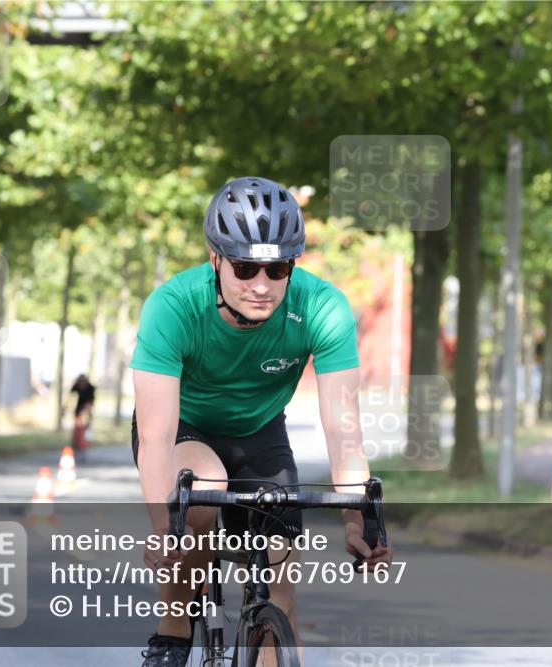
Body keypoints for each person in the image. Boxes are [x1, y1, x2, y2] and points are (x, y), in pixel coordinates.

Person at [130, 177, 392, 666]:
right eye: (246, 266)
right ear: (215, 259)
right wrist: (166, 527)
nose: (261, 284)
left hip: (261, 434)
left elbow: (343, 429)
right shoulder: (173, 306)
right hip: (187, 428)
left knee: (280, 595)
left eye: (277, 269)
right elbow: (155, 434)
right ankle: (173, 631)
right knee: (202, 487)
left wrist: (358, 517)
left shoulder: (322, 307)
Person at [70, 374, 95, 459]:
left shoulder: (90, 388)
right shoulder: (76, 387)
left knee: (85, 430)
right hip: (78, 411)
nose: (82, 385)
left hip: (86, 411)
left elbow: (91, 402)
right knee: (77, 429)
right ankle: (75, 444)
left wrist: (87, 411)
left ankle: (84, 445)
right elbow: (71, 396)